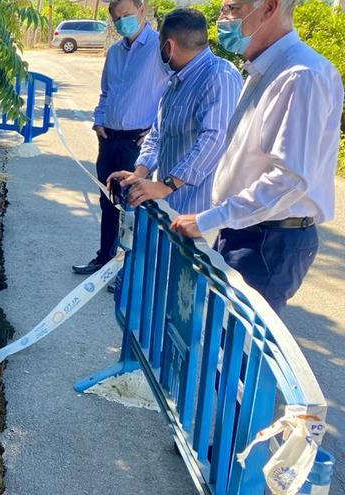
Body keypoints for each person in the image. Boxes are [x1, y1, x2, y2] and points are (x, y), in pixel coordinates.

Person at [171, 0, 344, 313]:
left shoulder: (300, 75)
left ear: (269, 8)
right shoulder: (263, 70)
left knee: (235, 350)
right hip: (247, 229)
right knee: (218, 337)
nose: (223, 20)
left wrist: (209, 218)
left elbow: (289, 178)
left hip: (270, 239)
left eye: (233, 9)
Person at [108, 9, 242, 225]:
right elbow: (157, 134)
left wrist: (166, 185)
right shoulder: (177, 82)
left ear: (168, 47)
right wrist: (140, 173)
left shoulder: (219, 76)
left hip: (199, 215)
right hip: (170, 207)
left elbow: (215, 139)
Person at [72, 0, 170, 275]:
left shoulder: (160, 48)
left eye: (126, 15)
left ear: (142, 10)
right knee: (108, 200)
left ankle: (128, 270)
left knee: (134, 206)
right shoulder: (115, 52)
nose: (122, 22)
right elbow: (106, 92)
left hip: (137, 143)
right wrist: (99, 121)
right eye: (117, 18)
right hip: (109, 138)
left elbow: (172, 92)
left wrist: (155, 132)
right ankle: (104, 259)